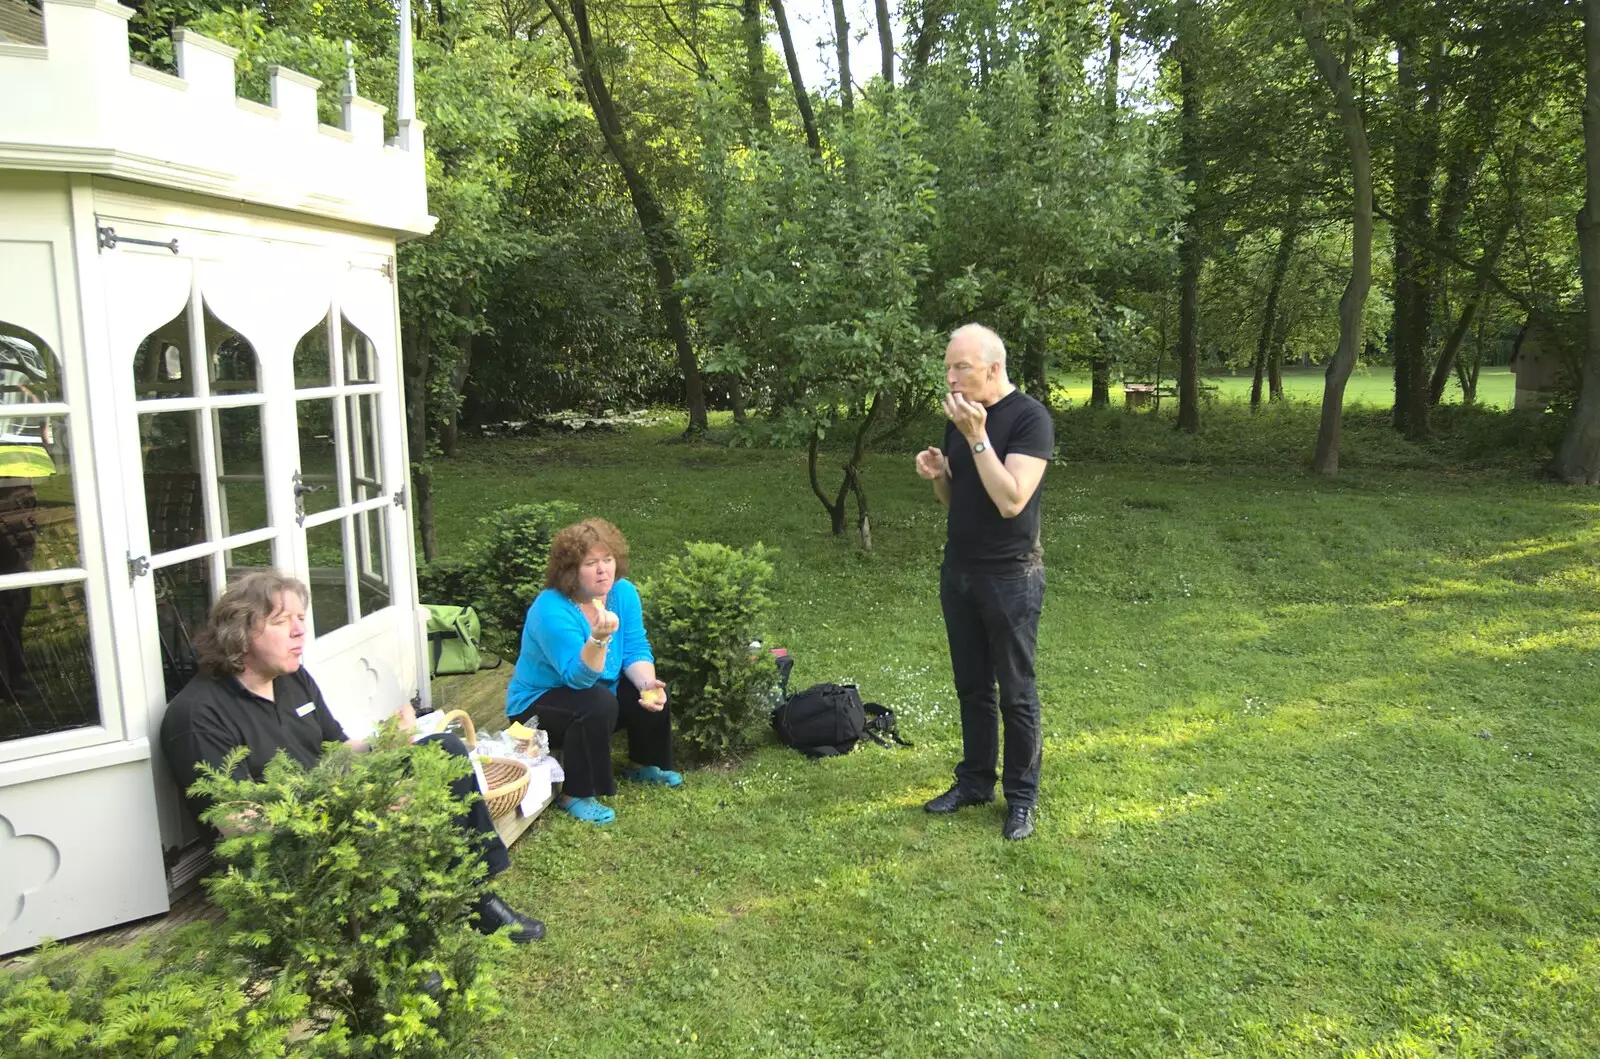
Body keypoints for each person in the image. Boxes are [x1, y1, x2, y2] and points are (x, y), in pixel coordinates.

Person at [160, 570, 544, 942]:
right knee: (386, 816)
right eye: (282, 621)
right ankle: (398, 937)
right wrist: (362, 807)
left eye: (300, 619)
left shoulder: (291, 678)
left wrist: (386, 741)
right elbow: (237, 822)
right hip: (283, 849)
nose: (299, 631)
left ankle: (476, 894)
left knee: (443, 751)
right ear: (239, 634)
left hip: (337, 804)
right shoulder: (197, 715)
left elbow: (336, 749)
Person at [914, 324, 1053, 841]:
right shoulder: (961, 415)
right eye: (948, 367)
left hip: (1011, 576)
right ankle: (974, 781)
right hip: (960, 572)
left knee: (1016, 694)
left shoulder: (1029, 420)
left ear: (993, 369)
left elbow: (1011, 499)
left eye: (960, 368)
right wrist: (939, 476)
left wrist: (976, 439)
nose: (950, 378)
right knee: (972, 687)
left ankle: (1021, 798)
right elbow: (955, 501)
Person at [505, 518, 676, 826]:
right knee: (596, 704)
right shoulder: (551, 610)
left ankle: (642, 763)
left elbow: (636, 648)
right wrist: (598, 638)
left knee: (650, 687)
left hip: (597, 688)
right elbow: (577, 678)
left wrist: (648, 684)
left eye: (608, 560)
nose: (603, 570)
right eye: (591, 563)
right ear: (570, 571)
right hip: (536, 705)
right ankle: (575, 794)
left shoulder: (623, 593)